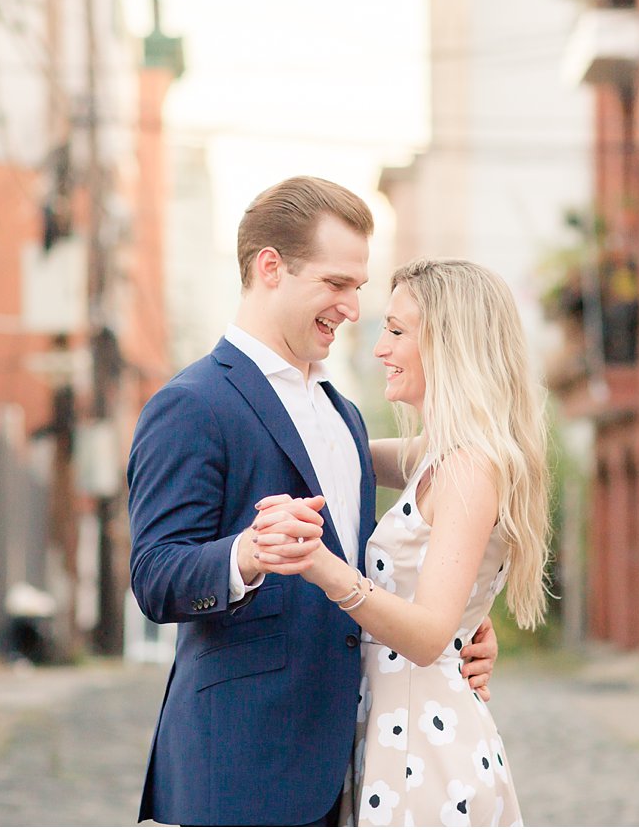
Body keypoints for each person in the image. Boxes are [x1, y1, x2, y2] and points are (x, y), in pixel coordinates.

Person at [127, 178, 498, 827]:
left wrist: (461, 621)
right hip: (243, 764)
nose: (353, 307)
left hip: (356, 763)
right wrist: (247, 552)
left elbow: (449, 498)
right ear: (270, 267)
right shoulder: (192, 405)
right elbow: (155, 576)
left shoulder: (345, 416)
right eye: (337, 284)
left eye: (359, 286)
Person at [253, 257, 550, 827]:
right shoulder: (436, 455)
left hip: (426, 758)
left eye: (395, 331)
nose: (380, 349)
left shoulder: (468, 468)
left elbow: (429, 635)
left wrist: (319, 564)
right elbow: (339, 450)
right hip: (401, 742)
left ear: (449, 343)